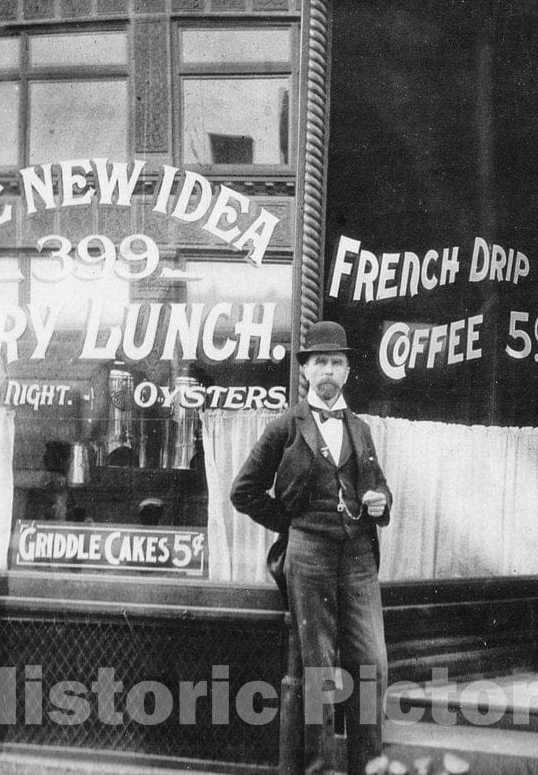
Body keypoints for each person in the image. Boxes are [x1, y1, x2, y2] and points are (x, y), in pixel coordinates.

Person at [230, 321, 392, 775]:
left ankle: (369, 767)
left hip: (358, 558)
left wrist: (381, 503)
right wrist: (293, 525)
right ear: (305, 371)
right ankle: (320, 768)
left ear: (347, 371)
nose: (328, 371)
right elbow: (243, 491)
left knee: (372, 664)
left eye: (336, 362)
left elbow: (377, 487)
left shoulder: (359, 428)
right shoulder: (286, 425)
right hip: (310, 557)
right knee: (318, 671)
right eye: (319, 361)